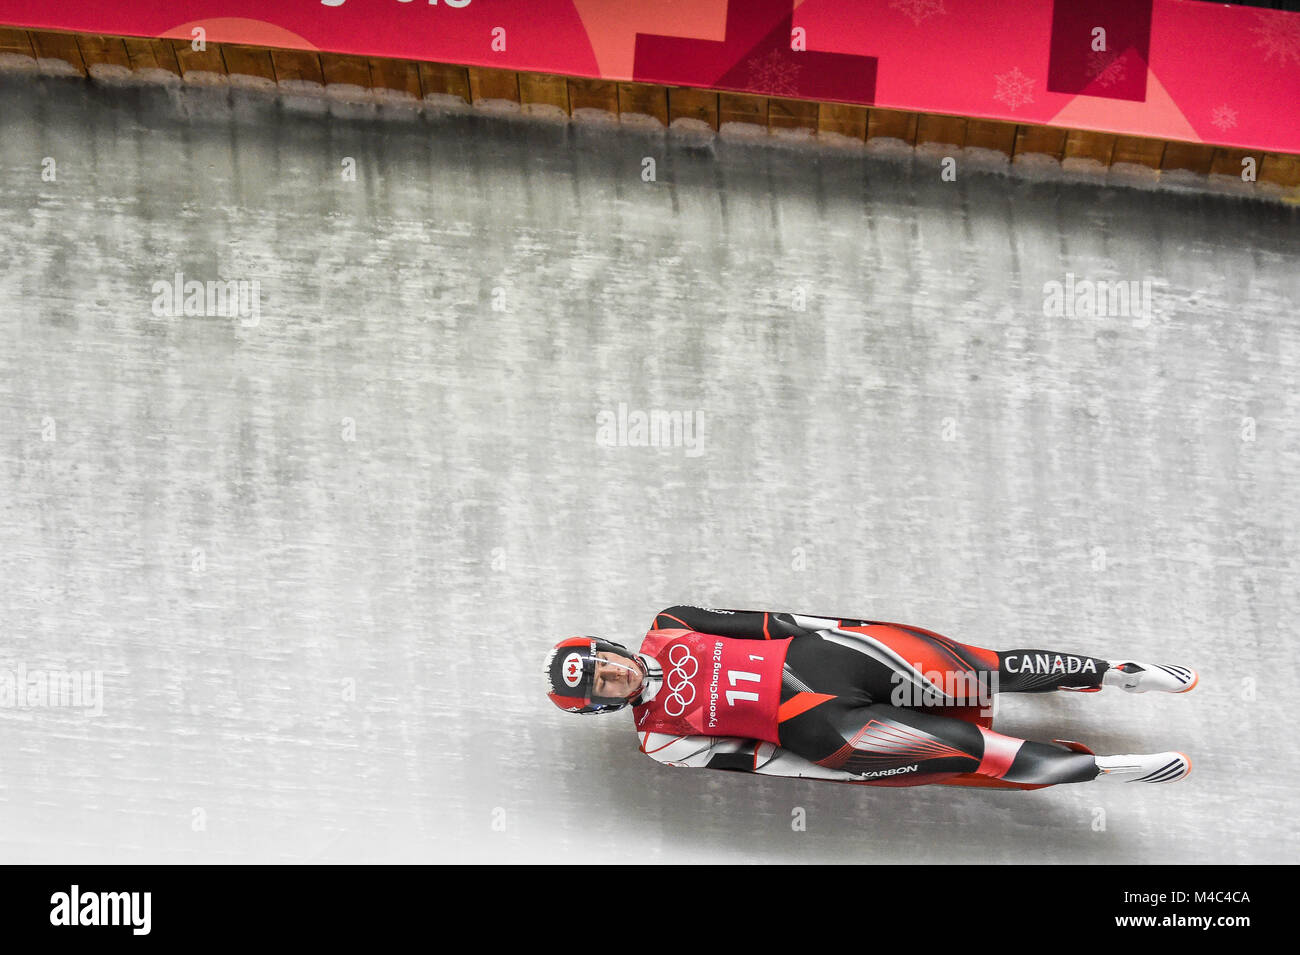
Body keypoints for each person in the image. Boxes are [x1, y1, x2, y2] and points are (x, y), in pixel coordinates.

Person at [544, 606, 1197, 789]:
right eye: (603, 684)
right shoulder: (660, 740)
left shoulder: (672, 624)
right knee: (976, 752)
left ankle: (1118, 672)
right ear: (603, 703)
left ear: (610, 647)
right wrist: (838, 772)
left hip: (838, 655)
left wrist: (852, 630)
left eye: (604, 663)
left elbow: (778, 623)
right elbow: (757, 760)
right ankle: (1103, 769)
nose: (614, 674)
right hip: (826, 730)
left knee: (978, 670)